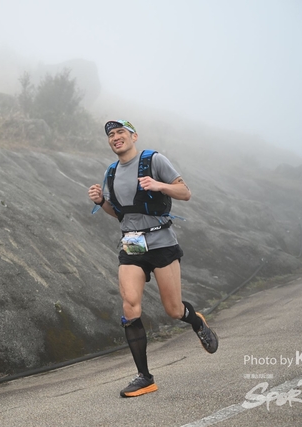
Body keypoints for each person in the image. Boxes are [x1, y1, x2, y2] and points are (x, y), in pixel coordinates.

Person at [88, 119, 218, 398]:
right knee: (130, 308)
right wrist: (101, 202)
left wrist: (159, 185)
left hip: (161, 243)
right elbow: (121, 213)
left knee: (173, 310)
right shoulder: (111, 172)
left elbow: (185, 193)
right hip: (132, 245)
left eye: (121, 132)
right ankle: (144, 377)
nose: (116, 137)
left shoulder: (154, 160)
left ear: (133, 136)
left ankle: (197, 322)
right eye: (111, 135)